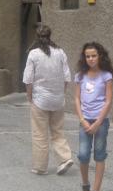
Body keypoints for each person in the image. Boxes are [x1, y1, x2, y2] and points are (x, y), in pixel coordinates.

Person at [22, 25, 74, 176]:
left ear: (37, 36)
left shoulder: (34, 54)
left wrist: (30, 97)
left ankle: (40, 167)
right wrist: (61, 93)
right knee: (58, 131)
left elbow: (28, 79)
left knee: (40, 133)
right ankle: (65, 158)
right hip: (58, 99)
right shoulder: (60, 52)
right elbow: (66, 77)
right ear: (50, 35)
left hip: (40, 99)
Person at [74, 42, 113, 191]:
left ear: (100, 56)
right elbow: (76, 99)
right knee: (83, 154)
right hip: (85, 120)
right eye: (87, 56)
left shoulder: (106, 76)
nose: (91, 59)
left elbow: (108, 101)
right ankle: (85, 185)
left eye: (93, 56)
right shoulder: (80, 76)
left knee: (99, 154)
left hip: (101, 121)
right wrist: (82, 120)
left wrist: (98, 122)